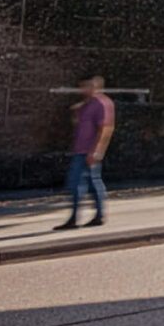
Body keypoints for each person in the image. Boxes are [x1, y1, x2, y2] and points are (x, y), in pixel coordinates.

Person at [60, 76, 115, 230]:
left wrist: (97, 151)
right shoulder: (86, 104)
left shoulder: (102, 103)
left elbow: (105, 129)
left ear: (96, 86)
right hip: (81, 150)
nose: (84, 89)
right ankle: (95, 215)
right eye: (83, 86)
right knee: (89, 183)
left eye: (88, 86)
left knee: (79, 183)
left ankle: (81, 217)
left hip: (89, 151)